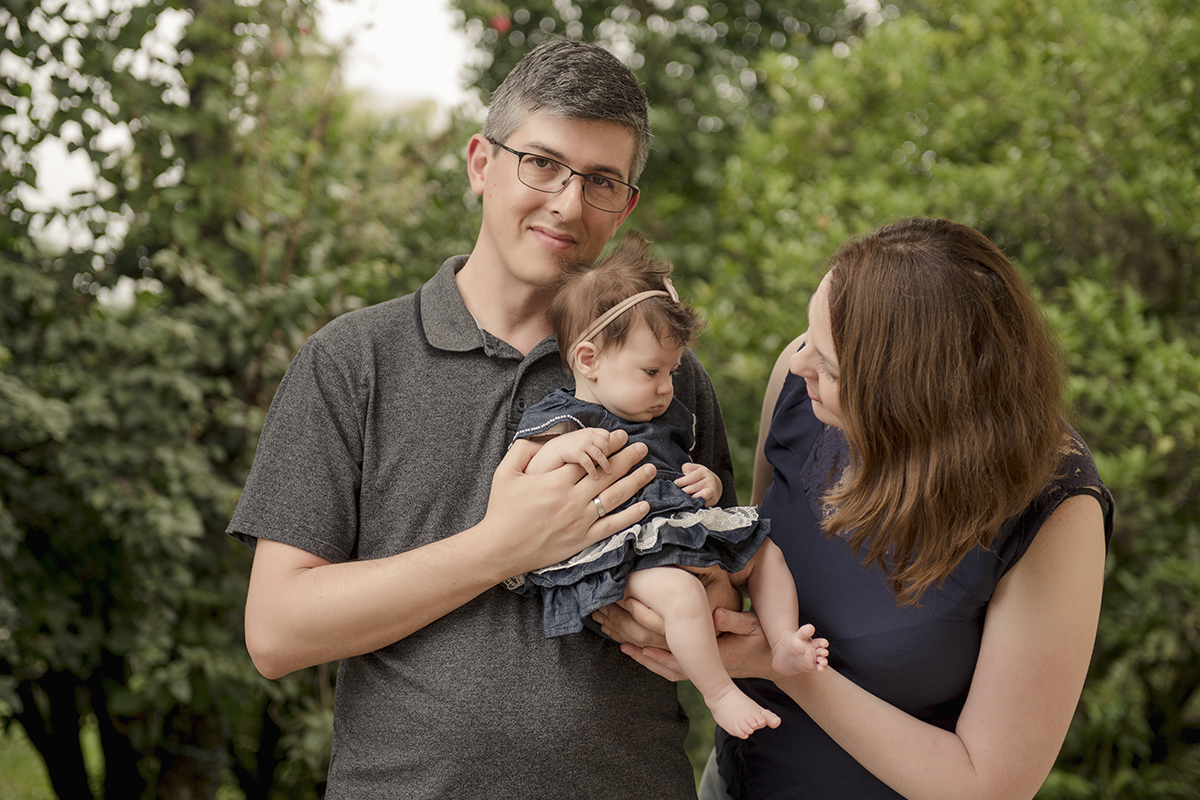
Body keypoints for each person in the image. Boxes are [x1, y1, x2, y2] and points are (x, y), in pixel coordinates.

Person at [227, 39, 741, 799]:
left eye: (600, 180)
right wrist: (501, 547)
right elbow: (276, 631)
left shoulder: (664, 369)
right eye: (542, 163)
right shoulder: (353, 360)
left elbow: (726, 575)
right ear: (480, 163)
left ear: (625, 204)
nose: (567, 202)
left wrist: (683, 604)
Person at [607, 217, 1114, 800]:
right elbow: (753, 561)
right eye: (807, 340)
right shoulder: (799, 388)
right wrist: (681, 602)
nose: (801, 367)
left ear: (913, 395)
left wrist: (782, 669)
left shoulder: (1054, 504)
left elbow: (990, 786)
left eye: (829, 365)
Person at [508, 231, 829, 739]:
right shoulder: (565, 415)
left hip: (682, 531)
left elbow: (689, 475)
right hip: (623, 555)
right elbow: (522, 474)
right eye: (652, 371)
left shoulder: (670, 414)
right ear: (588, 360)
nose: (666, 386)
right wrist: (561, 449)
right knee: (679, 594)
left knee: (765, 553)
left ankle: (785, 639)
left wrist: (706, 484)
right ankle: (719, 692)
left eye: (673, 371)